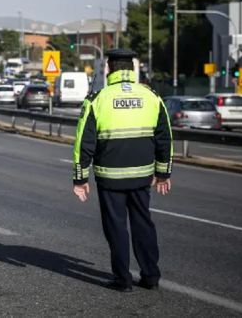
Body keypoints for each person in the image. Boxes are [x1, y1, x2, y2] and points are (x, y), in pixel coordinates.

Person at [72, 49, 173, 293]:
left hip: (110, 178)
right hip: (142, 177)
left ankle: (123, 280)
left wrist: (80, 178)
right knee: (143, 224)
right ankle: (150, 276)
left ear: (108, 69)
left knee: (116, 227)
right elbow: (164, 136)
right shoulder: (151, 96)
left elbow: (83, 142)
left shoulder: (99, 99)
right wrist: (163, 173)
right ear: (132, 69)